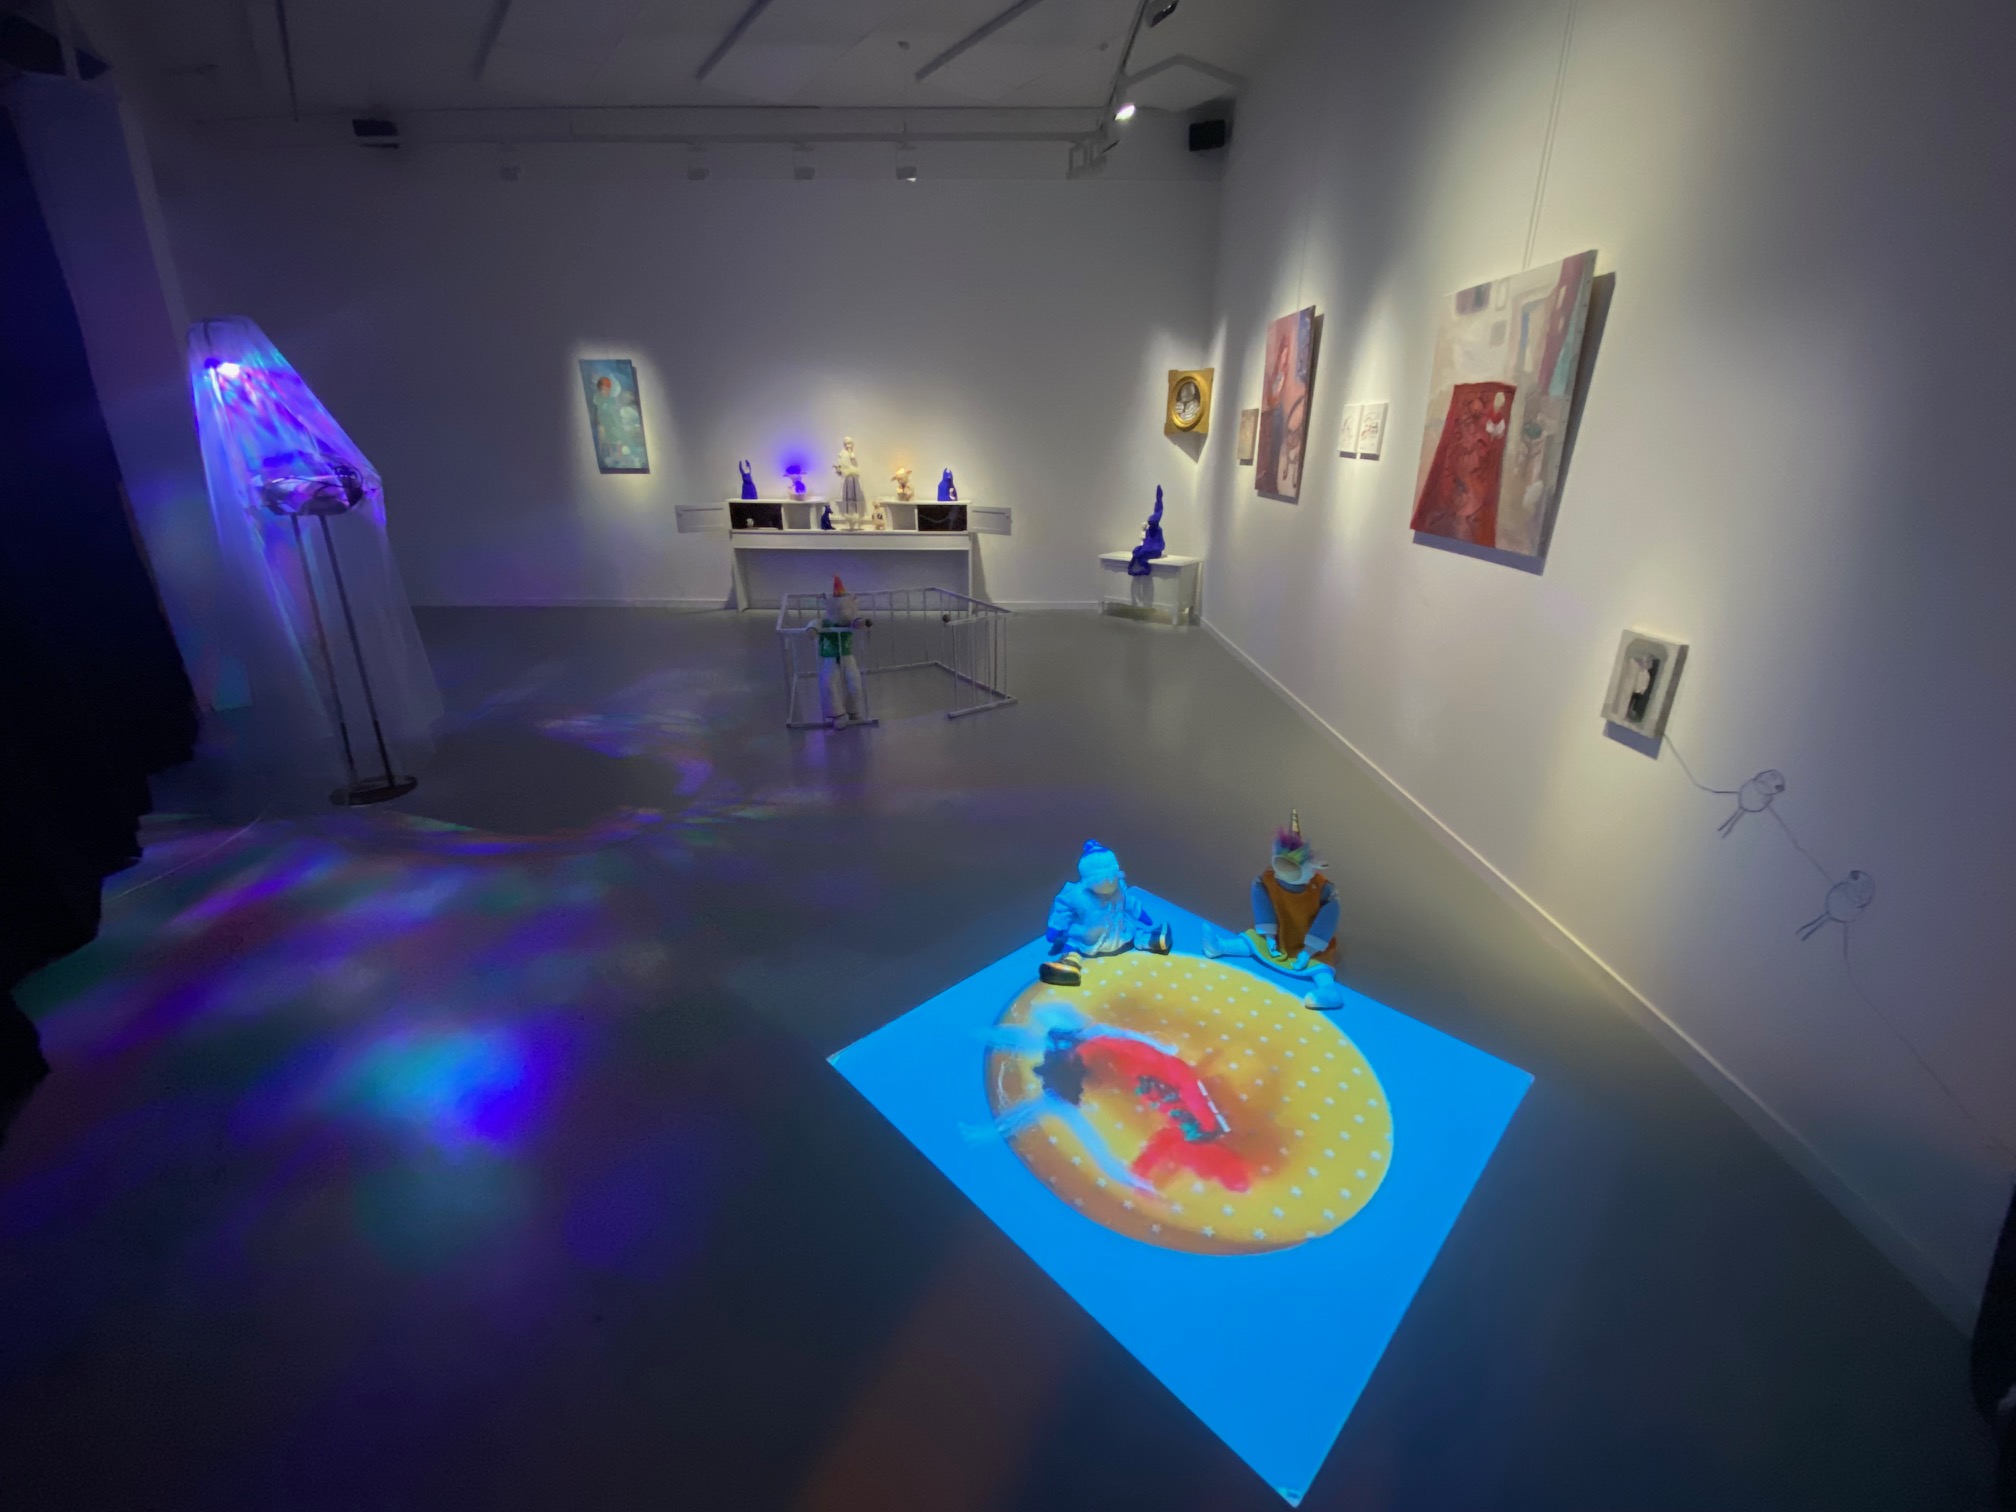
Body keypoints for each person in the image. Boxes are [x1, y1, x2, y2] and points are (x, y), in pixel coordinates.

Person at [1203, 811, 1346, 1009]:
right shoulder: (1268, 880)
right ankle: (1221, 947)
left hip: (1309, 942)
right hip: (1279, 934)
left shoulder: (1323, 891)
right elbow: (1263, 905)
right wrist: (1269, 936)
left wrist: (1309, 950)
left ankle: (1329, 991)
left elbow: (1328, 918)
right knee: (1253, 941)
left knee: (1320, 968)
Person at [1040, 841, 1171, 987]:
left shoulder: (1119, 887)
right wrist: (1056, 928)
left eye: (1112, 877)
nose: (1109, 883)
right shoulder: (1076, 895)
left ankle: (1152, 940)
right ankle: (1068, 966)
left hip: (1118, 934)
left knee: (1132, 933)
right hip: (1086, 940)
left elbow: (1128, 902)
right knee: (1073, 948)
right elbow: (1063, 911)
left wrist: (1140, 913)